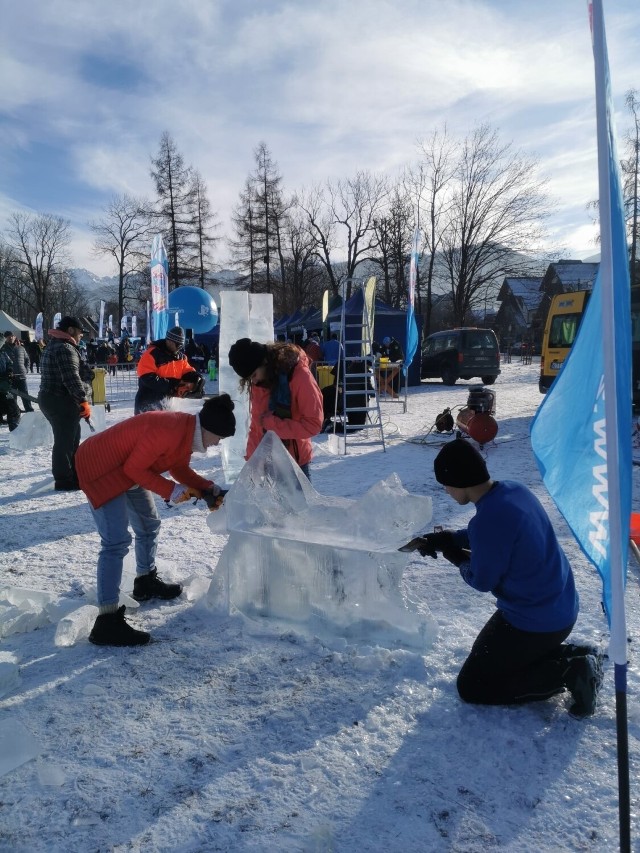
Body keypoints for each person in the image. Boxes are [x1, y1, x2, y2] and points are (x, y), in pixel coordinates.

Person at [403, 438, 603, 718]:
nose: (446, 491)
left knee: (474, 685)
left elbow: (481, 580)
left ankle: (570, 671)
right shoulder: (513, 491)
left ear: (459, 480)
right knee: (492, 660)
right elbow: (493, 536)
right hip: (559, 607)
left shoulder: (489, 520)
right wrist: (449, 539)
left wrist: (454, 555)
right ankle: (575, 653)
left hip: (535, 621)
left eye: (446, 484)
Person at [76, 393, 236, 646]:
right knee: (115, 542)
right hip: (100, 467)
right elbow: (134, 469)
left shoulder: (186, 432)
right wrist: (172, 491)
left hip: (129, 468)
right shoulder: (170, 429)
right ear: (207, 429)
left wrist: (209, 489)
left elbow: (178, 468)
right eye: (219, 438)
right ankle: (106, 622)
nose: (217, 444)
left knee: (149, 525)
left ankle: (145, 581)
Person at [228, 337, 324, 479]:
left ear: (265, 362)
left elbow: (313, 425)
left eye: (254, 375)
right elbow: (257, 425)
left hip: (294, 465)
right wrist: (252, 461)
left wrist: (273, 424)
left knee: (295, 502)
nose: (254, 381)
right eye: (249, 379)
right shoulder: (260, 382)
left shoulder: (300, 376)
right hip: (267, 464)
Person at [38, 316, 95, 491]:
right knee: (65, 441)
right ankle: (64, 480)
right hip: (60, 400)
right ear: (70, 330)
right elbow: (71, 378)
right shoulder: (64, 348)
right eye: (80, 333)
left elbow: (76, 372)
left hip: (54, 399)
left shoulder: (56, 344)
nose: (81, 336)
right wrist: (83, 400)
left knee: (71, 438)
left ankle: (73, 474)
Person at [134, 326, 203, 414]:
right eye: (178, 345)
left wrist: (195, 377)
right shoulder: (152, 354)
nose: (179, 348)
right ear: (169, 341)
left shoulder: (181, 357)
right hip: (148, 402)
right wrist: (171, 385)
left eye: (181, 345)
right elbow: (147, 377)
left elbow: (187, 370)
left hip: (167, 403)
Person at [3, 332, 33, 412]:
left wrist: (26, 369)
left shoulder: (21, 348)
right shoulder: (3, 348)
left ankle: (29, 409)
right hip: (10, 376)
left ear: (15, 337)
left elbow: (27, 359)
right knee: (12, 396)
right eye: (9, 337)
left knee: (25, 394)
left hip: (21, 375)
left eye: (12, 336)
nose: (11, 338)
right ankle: (15, 410)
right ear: (6, 338)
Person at [0, 344, 21, 430]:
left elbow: (9, 363)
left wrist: (9, 371)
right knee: (12, 408)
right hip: (2, 385)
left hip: (4, 385)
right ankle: (14, 429)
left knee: (12, 408)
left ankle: (14, 429)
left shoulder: (3, 353)